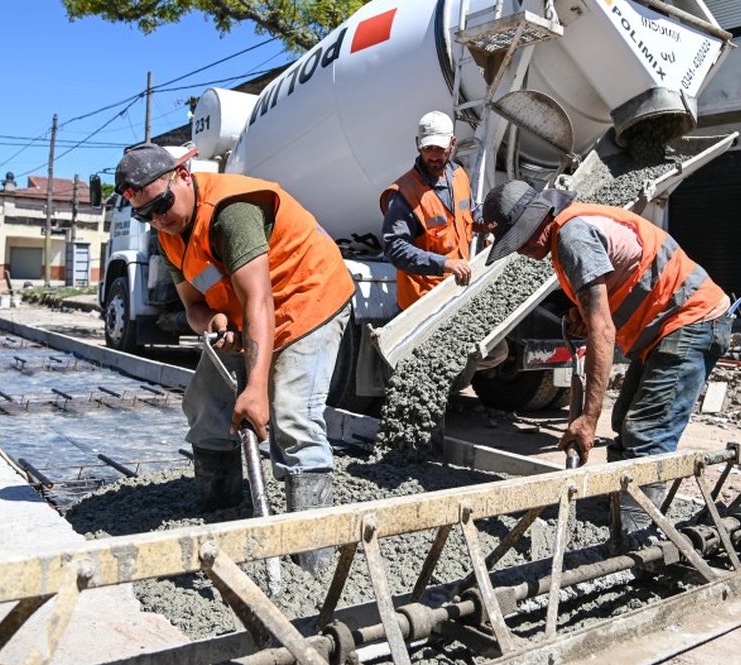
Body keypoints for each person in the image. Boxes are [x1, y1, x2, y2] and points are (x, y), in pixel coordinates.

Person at [115, 143, 355, 570]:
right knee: (206, 404)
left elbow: (260, 299)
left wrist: (256, 389)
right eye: (144, 214)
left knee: (292, 416)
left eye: (162, 204)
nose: (158, 219)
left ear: (183, 176)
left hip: (307, 298)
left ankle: (312, 560)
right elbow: (193, 306)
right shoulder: (167, 234)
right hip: (252, 314)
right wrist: (212, 321)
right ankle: (222, 515)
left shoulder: (231, 211)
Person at [481, 179, 731, 544]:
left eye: (520, 238)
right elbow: (611, 291)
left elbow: (602, 330)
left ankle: (636, 540)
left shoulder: (572, 237)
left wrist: (587, 419)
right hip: (665, 329)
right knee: (626, 422)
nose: (520, 250)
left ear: (539, 218)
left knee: (646, 434)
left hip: (691, 320)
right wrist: (580, 312)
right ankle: (619, 512)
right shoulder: (566, 233)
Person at [379, 110, 479, 310]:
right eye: (428, 148)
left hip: (458, 290)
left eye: (439, 148)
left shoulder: (459, 176)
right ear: (418, 144)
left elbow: (472, 213)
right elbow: (395, 248)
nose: (433, 155)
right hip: (422, 302)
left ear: (452, 143)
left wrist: (491, 225)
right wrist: (444, 264)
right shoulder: (404, 194)